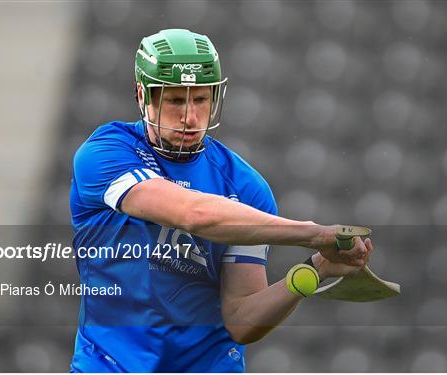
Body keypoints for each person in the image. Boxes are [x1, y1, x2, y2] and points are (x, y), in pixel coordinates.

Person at [69, 28, 372, 372]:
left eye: (200, 99)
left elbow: (241, 321)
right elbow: (193, 214)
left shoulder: (246, 187)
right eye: (175, 100)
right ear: (143, 95)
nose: (191, 117)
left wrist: (313, 271)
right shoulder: (106, 152)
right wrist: (312, 233)